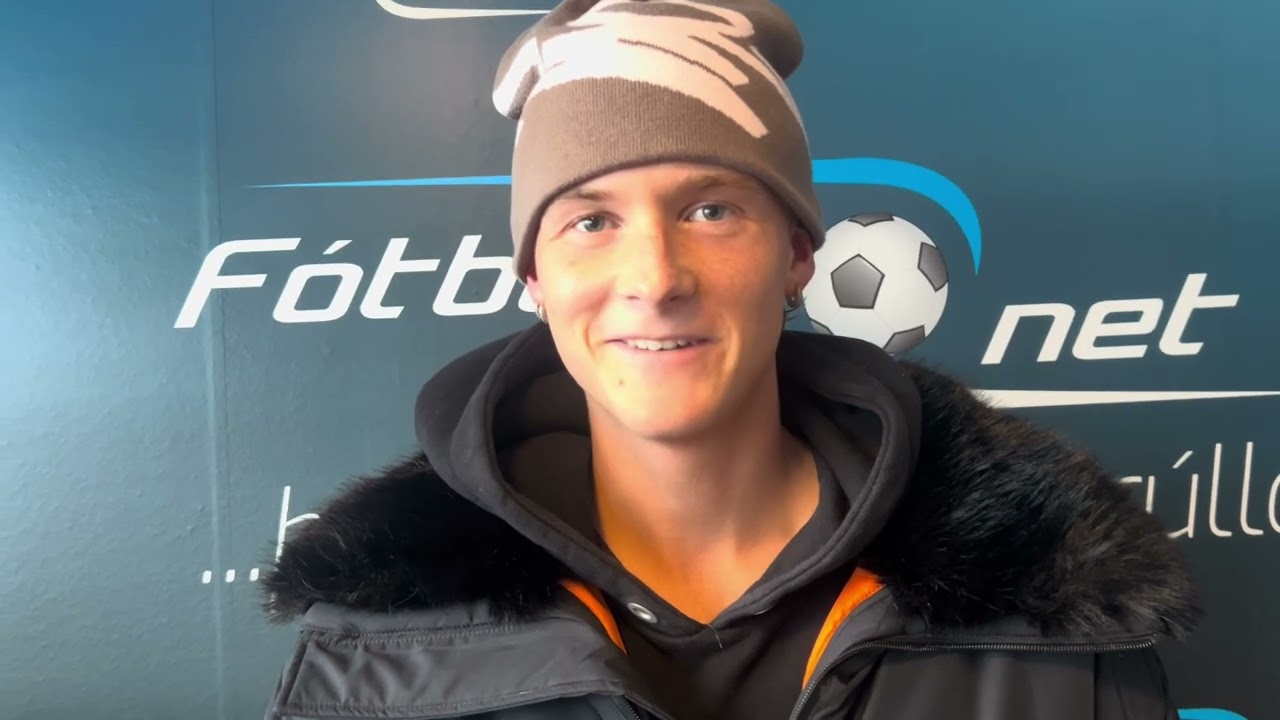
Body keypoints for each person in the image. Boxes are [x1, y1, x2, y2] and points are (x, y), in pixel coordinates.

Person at [259, 1, 1201, 718]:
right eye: (591, 221)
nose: (655, 277)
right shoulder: (377, 647)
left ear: (796, 255)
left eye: (710, 210)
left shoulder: (1049, 611)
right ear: (536, 277)